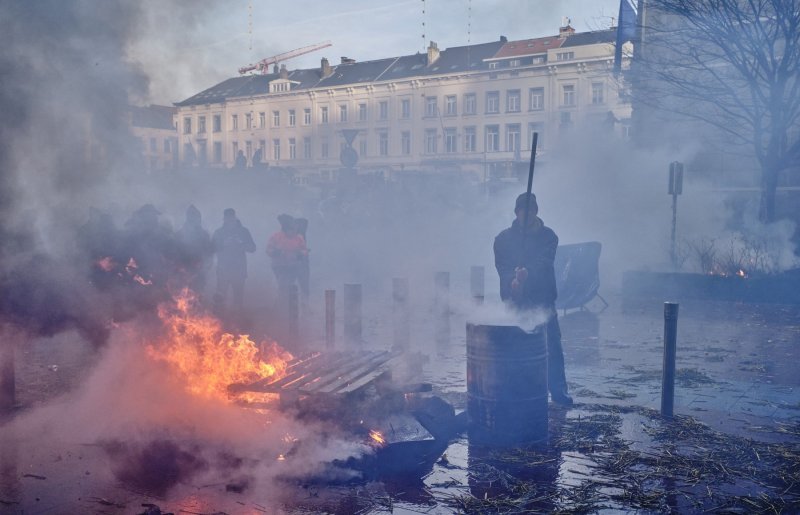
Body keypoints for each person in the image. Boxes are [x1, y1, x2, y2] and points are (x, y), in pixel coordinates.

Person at [493, 192, 573, 406]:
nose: (526, 215)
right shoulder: (503, 239)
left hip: (543, 299)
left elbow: (544, 261)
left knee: (552, 347)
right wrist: (513, 281)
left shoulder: (549, 236)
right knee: (515, 349)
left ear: (536, 211)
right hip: (515, 301)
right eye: (522, 211)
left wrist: (527, 274)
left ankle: (558, 392)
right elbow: (502, 266)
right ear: (516, 212)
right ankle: (517, 392)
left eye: (530, 210)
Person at [212, 208, 256, 314]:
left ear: (235, 217)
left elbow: (252, 248)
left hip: (239, 270)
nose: (229, 220)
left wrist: (241, 244)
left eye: (231, 217)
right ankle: (219, 322)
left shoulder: (243, 231)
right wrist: (223, 244)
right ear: (224, 218)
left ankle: (236, 322)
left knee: (238, 299)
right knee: (220, 298)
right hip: (223, 270)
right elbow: (211, 248)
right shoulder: (219, 232)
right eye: (227, 217)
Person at [266, 214, 308, 303]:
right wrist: (276, 253)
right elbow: (268, 249)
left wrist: (299, 254)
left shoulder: (299, 237)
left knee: (289, 285)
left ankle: (287, 303)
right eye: (291, 230)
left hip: (293, 266)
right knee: (282, 285)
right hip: (279, 266)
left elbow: (304, 250)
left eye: (294, 230)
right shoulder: (276, 236)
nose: (293, 232)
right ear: (286, 230)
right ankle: (281, 303)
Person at [176, 204, 213, 296]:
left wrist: (206, 266)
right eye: (191, 216)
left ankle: (197, 310)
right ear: (188, 218)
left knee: (197, 294)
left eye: (195, 217)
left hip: (199, 270)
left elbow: (209, 252)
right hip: (183, 270)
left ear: (199, 218)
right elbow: (174, 252)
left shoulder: (204, 235)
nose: (194, 219)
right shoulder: (180, 234)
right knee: (182, 294)